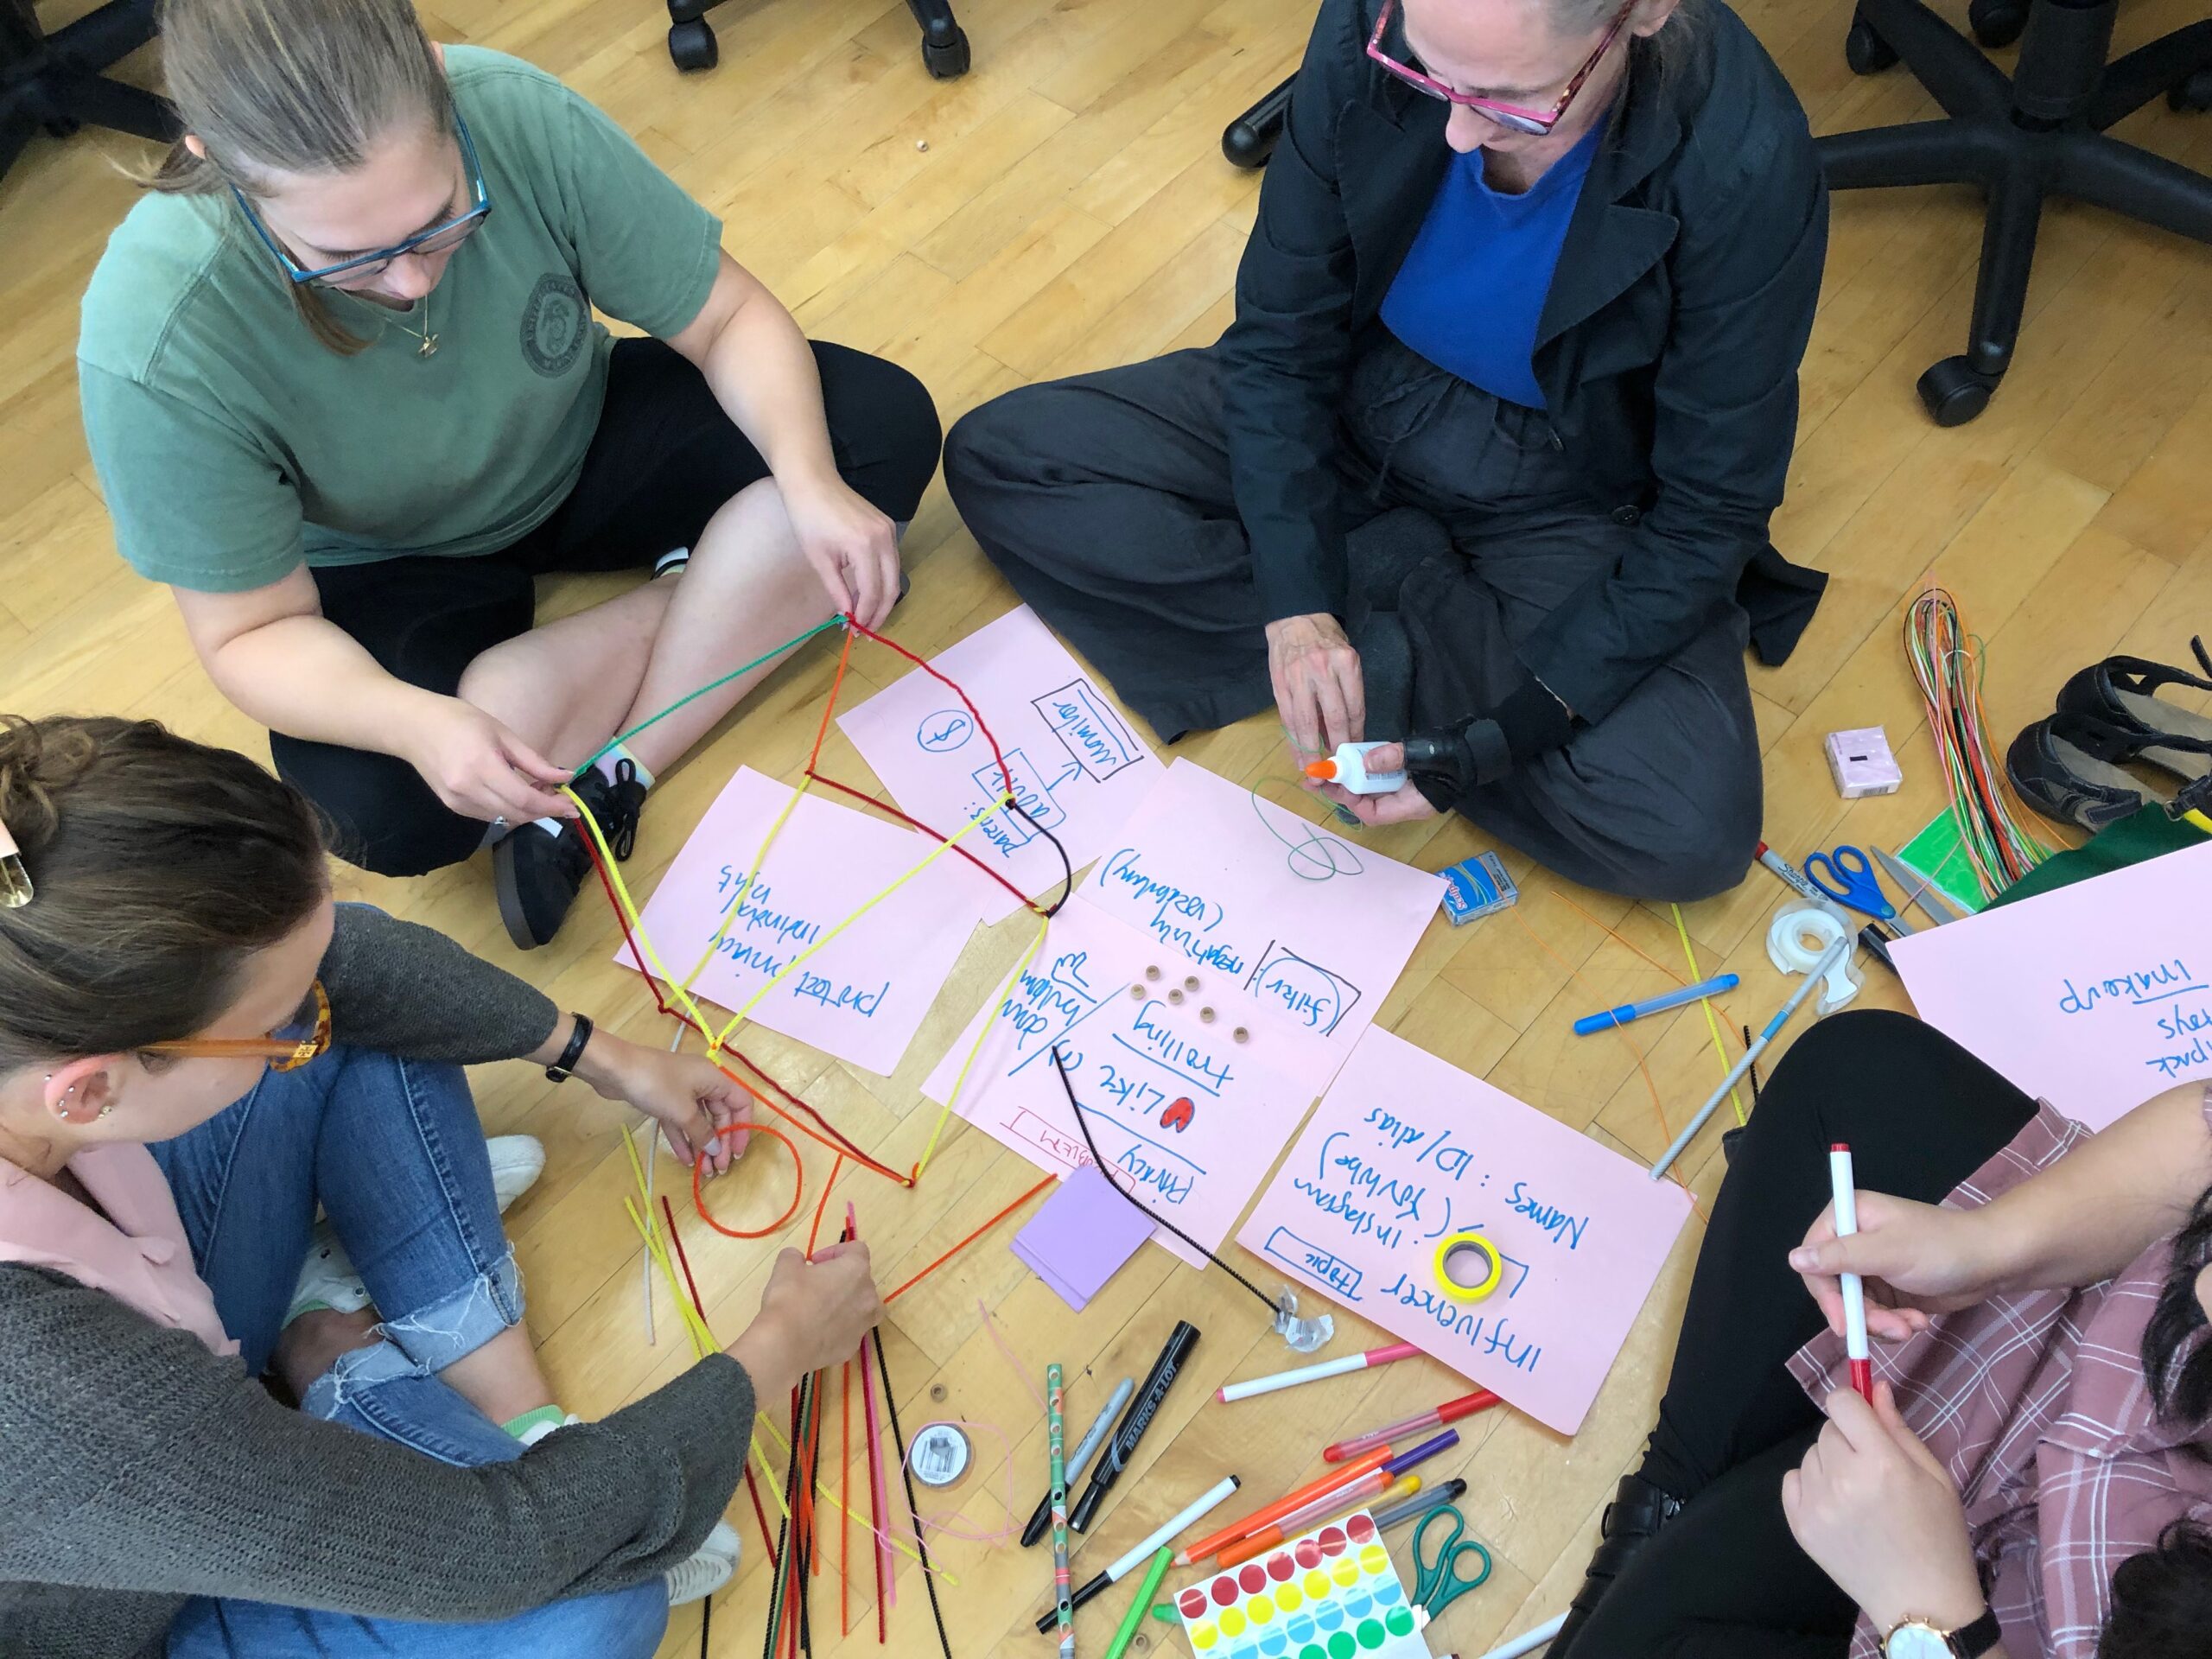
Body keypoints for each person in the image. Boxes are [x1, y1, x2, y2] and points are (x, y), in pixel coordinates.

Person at [0, 713, 885, 1659]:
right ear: (88, 1091)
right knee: (586, 1615)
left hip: (156, 1356)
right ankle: (340, 1367)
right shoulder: (47, 1386)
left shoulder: (38, 997)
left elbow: (348, 959)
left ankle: (502, 1411)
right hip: (133, 1611)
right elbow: (489, 1550)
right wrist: (776, 1352)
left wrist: (604, 1055)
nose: (307, 1021)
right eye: (281, 1031)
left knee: (368, 1000)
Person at [77, 0, 943, 950]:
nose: (410, 282)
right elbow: (252, 630)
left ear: (441, 81)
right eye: (344, 259)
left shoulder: (511, 107)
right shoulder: (158, 337)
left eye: (441, 220)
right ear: (214, 160)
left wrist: (809, 483)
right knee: (380, 809)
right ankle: (719, 588)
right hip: (385, 558)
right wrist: (415, 725)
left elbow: (726, 318)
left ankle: (617, 773)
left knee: (872, 431)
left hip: (580, 439)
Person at [944, 0, 1830, 901]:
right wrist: (1296, 607)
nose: (1455, 131)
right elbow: (1282, 338)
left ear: (1640, 15)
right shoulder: (1375, 22)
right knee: (1008, 458)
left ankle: (1383, 605)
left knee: (1689, 835)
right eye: (1425, 72)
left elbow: (1710, 511)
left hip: (1561, 487)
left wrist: (1498, 739)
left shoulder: (1742, 163)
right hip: (1352, 392)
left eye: (1509, 98)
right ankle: (1385, 630)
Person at [1549, 1008, 2212, 1658]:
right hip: (2085, 1359)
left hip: (1991, 1616)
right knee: (1857, 1072)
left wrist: (1931, 1616)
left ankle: (1654, 1536)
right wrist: (1985, 1246)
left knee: (1653, 1628)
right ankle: (1665, 1507)